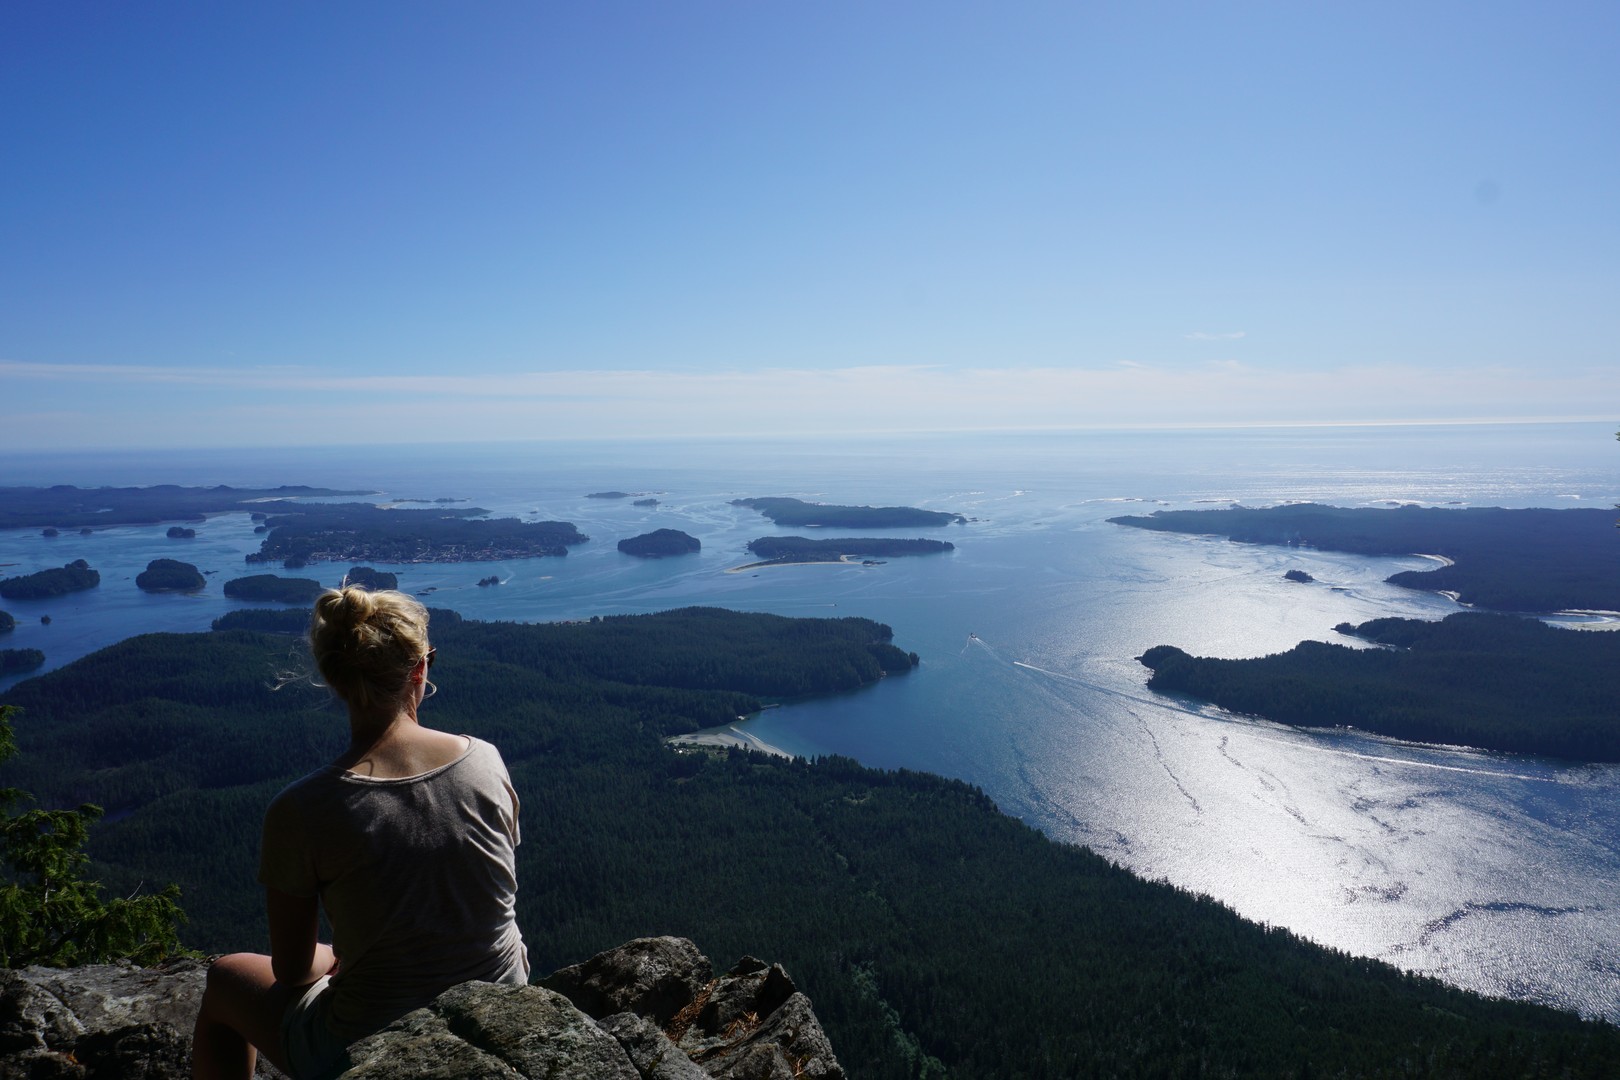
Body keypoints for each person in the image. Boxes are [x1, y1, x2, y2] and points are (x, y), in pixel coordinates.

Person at [193, 587, 528, 1080]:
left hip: (371, 1040)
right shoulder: (484, 759)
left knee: (224, 977)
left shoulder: (302, 809)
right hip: (504, 1009)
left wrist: (335, 954)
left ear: (333, 677)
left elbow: (290, 970)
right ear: (419, 669)